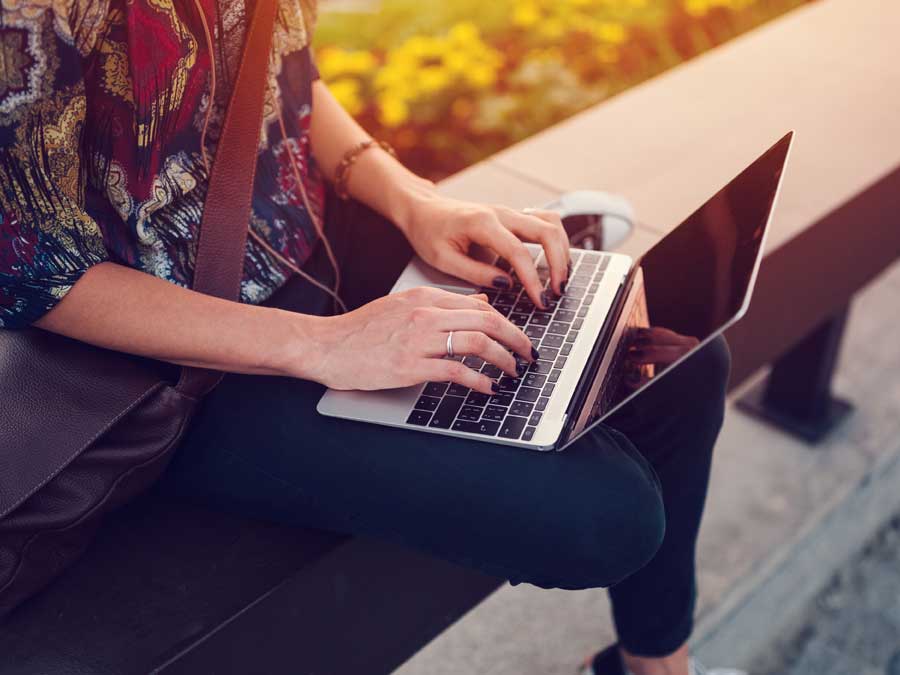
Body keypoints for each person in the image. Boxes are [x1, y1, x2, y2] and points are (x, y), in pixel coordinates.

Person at [0, 1, 741, 673]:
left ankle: (656, 670)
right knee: (609, 519)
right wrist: (325, 346)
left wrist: (417, 202)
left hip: (316, 231)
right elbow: (35, 272)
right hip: (176, 364)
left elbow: (283, 77)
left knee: (683, 363)